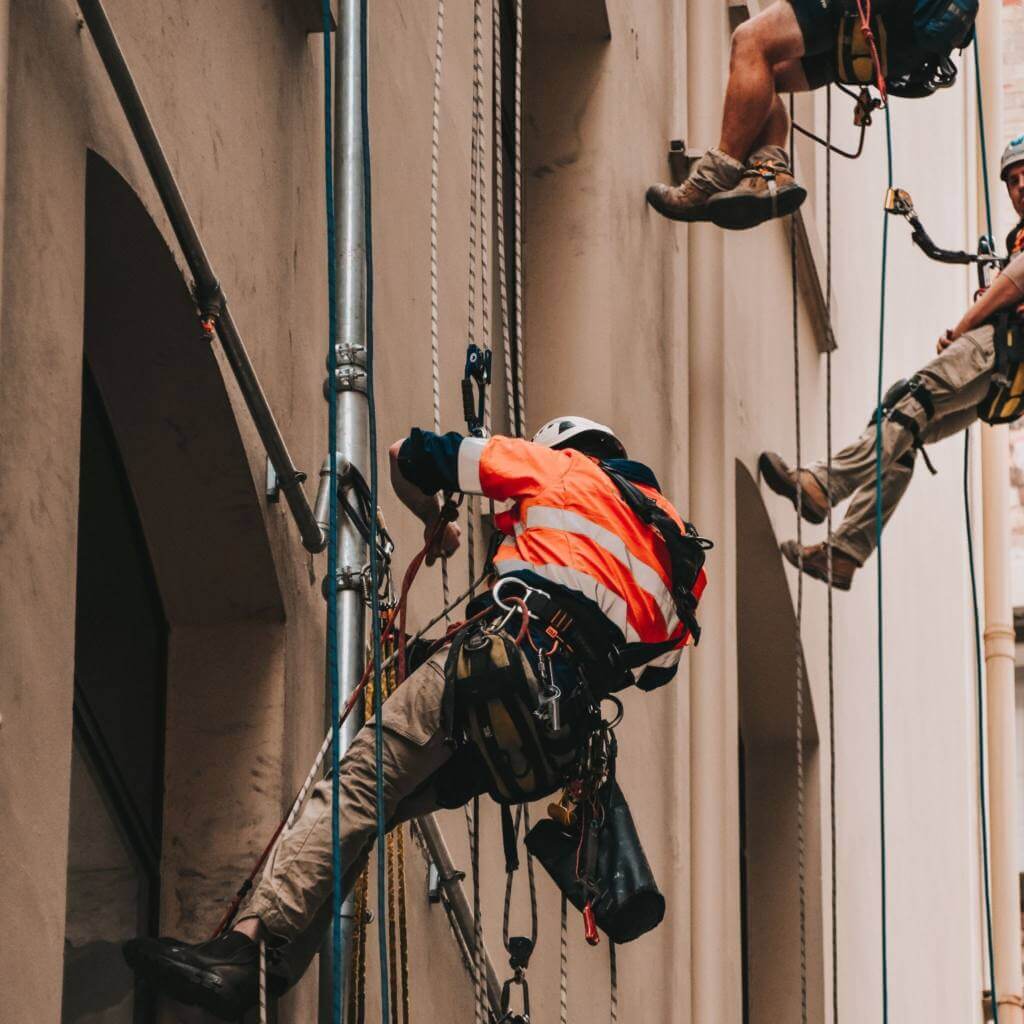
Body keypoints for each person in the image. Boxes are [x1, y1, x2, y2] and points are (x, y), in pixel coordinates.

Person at [123, 415, 709, 1019]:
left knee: (358, 785)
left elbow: (411, 454)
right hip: (547, 737)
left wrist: (437, 522)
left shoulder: (559, 469)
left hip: (497, 669)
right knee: (374, 810)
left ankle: (241, 948)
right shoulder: (681, 559)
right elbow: (653, 668)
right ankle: (264, 971)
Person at [759, 137, 1024, 591]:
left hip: (1001, 347)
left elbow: (1016, 280)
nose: (1019, 186)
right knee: (904, 433)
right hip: (1006, 372)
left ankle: (823, 484)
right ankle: (844, 553)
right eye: (1012, 181)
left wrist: (962, 328)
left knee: (910, 399)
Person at [646, 0, 977, 230]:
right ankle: (768, 172)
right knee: (765, 73)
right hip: (882, 42)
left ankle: (711, 178)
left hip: (854, 11)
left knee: (750, 42)